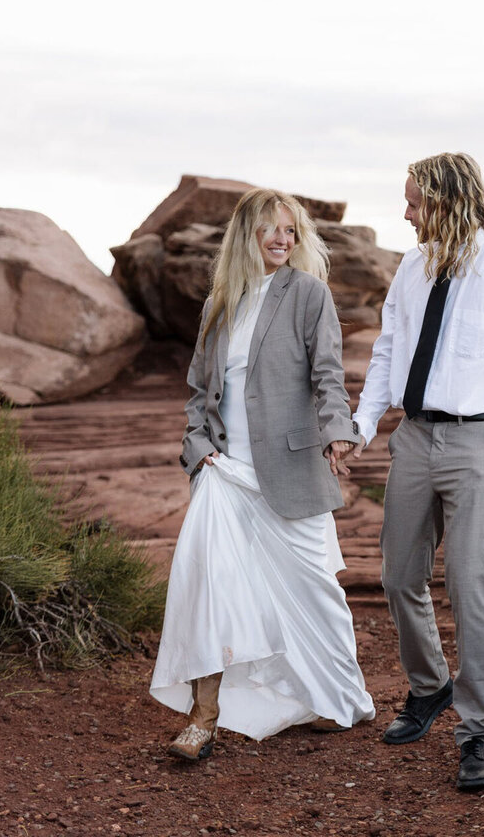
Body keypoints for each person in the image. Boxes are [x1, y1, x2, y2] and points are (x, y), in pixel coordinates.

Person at [346, 153, 484, 791]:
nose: (405, 213)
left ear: (444, 201)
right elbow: (389, 350)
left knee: (473, 592)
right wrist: (363, 423)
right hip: (413, 440)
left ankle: (477, 735)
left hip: (478, 445)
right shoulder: (412, 266)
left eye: (414, 202)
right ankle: (429, 688)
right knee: (398, 576)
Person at [150, 188, 374, 758]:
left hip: (290, 466)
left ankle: (340, 697)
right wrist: (197, 452)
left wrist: (338, 429)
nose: (282, 239)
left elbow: (327, 374)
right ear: (246, 234)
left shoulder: (308, 294)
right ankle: (204, 714)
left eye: (292, 231)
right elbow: (200, 391)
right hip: (223, 470)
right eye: (272, 229)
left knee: (316, 589)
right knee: (209, 584)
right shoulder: (220, 301)